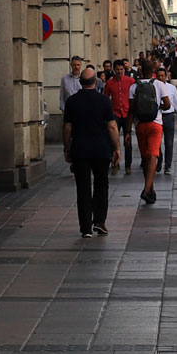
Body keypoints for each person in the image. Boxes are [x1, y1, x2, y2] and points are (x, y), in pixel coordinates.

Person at [62, 69, 121, 237]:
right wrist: (116, 148)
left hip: (79, 150)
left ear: (80, 82)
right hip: (101, 149)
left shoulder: (72, 102)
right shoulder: (104, 101)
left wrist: (67, 148)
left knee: (83, 188)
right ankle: (100, 221)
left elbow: (67, 127)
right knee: (102, 185)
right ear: (96, 82)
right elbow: (111, 126)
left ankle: (86, 227)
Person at [129, 58, 164, 204]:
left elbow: (131, 110)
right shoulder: (159, 84)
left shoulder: (133, 86)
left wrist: (126, 131)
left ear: (140, 70)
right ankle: (146, 188)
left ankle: (151, 190)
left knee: (145, 158)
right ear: (154, 71)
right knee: (153, 156)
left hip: (140, 125)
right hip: (155, 124)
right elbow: (168, 105)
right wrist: (158, 106)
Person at [104, 57, 136, 175]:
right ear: (114, 70)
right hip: (115, 114)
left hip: (127, 114)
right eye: (117, 69)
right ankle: (115, 164)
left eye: (122, 69)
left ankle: (128, 165)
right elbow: (106, 98)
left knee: (128, 140)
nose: (120, 71)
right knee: (114, 140)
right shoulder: (109, 83)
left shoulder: (130, 81)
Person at [155, 65, 177, 175]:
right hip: (157, 116)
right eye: (159, 76)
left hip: (169, 116)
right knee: (157, 142)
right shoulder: (153, 87)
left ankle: (168, 165)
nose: (161, 78)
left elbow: (176, 102)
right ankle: (159, 159)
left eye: (162, 76)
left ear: (166, 77)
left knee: (169, 143)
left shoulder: (171, 88)